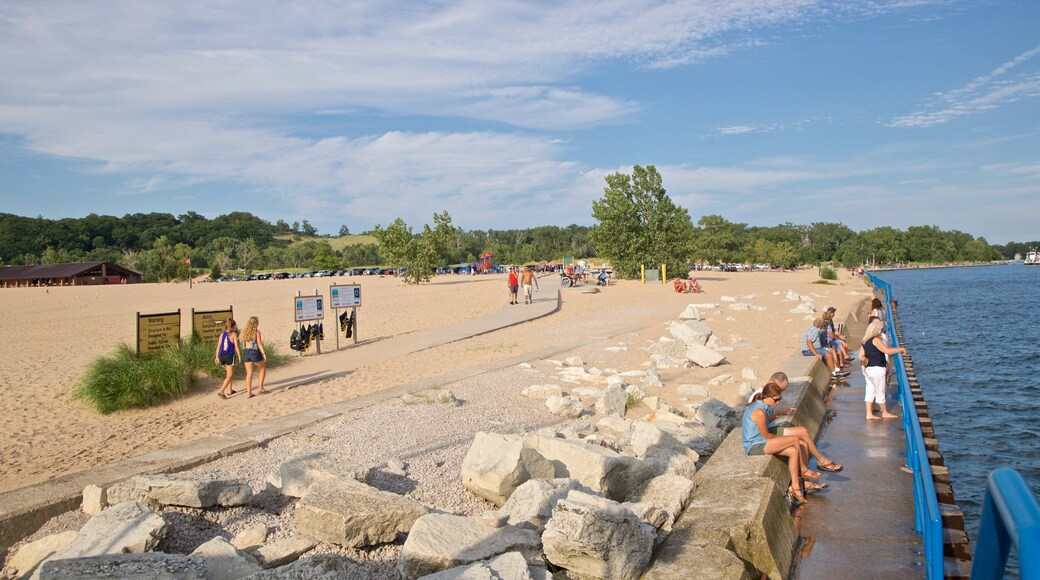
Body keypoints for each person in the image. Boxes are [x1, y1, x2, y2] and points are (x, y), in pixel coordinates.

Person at [746, 372, 845, 475]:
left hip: (769, 428)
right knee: (800, 443)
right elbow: (760, 428)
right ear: (771, 383)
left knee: (803, 431)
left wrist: (779, 413)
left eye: (782, 392)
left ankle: (819, 462)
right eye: (780, 390)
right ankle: (807, 472)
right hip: (761, 435)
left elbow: (765, 419)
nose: (780, 395)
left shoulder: (769, 396)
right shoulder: (759, 399)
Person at [742, 382, 826, 504]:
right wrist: (783, 440)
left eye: (780, 399)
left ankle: (795, 488)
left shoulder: (763, 406)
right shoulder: (759, 410)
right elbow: (766, 435)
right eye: (776, 399)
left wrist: (778, 413)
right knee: (794, 440)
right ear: (767, 396)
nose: (778, 402)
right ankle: (803, 469)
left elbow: (765, 421)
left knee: (793, 451)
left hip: (761, 440)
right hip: (755, 445)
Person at [860, 319, 906, 420]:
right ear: (877, 330)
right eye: (881, 329)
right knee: (880, 391)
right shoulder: (876, 340)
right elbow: (887, 351)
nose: (881, 331)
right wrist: (901, 349)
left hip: (868, 369)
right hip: (877, 369)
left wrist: (867, 360)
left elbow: (861, 355)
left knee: (870, 390)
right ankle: (884, 412)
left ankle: (869, 413)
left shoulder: (865, 341)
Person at [239, 316, 269, 398]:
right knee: (262, 368)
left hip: (246, 352)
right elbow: (259, 343)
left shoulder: (244, 332)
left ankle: (249, 393)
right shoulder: (256, 332)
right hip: (254, 352)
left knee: (249, 373)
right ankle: (261, 388)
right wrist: (263, 353)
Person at [214, 319, 239, 399]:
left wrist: (217, 357)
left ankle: (230, 390)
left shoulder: (222, 334)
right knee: (229, 375)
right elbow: (236, 346)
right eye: (235, 325)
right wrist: (239, 356)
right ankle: (221, 391)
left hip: (222, 356)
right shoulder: (234, 334)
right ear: (233, 326)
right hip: (229, 356)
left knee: (229, 373)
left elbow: (218, 346)